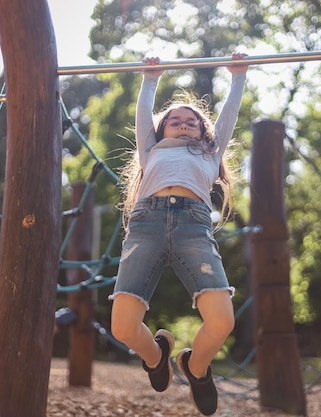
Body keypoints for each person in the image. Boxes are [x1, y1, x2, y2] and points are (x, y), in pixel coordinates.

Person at [109, 53, 249, 415]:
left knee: (222, 321)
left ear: (205, 133)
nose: (184, 123)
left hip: (193, 228)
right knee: (123, 326)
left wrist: (237, 77)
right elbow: (143, 115)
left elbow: (229, 118)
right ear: (161, 130)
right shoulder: (150, 150)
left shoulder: (209, 153)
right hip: (146, 226)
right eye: (175, 120)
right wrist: (150, 79)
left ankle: (196, 369)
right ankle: (156, 356)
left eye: (192, 121)